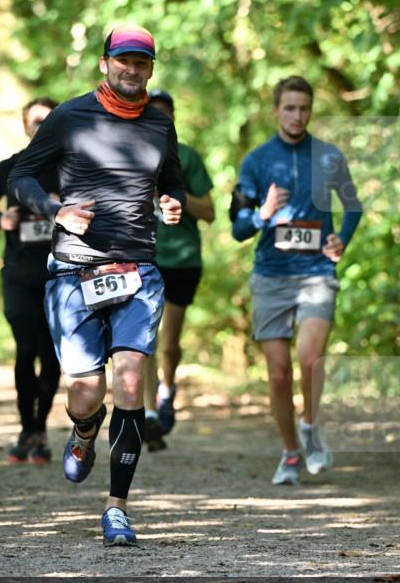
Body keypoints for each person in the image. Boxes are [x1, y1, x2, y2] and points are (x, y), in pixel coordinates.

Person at [8, 24, 185, 545]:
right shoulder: (70, 115)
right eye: (124, 60)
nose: (133, 69)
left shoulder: (160, 124)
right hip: (74, 271)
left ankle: (117, 510)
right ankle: (85, 430)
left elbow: (171, 180)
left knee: (131, 381)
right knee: (86, 394)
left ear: (151, 68)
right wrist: (55, 209)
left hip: (138, 270)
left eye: (143, 62)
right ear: (105, 63)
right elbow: (21, 176)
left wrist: (170, 201)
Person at [231, 76, 362, 486]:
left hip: (317, 273)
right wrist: (262, 213)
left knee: (310, 357)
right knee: (277, 374)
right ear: (276, 110)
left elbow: (353, 206)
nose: (297, 115)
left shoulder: (328, 157)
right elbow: (237, 228)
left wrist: (343, 238)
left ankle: (310, 425)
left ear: (311, 111)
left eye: (304, 108)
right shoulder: (256, 161)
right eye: (289, 108)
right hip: (271, 276)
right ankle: (290, 453)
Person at [0, 98, 61, 463]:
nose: (41, 127)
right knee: (25, 349)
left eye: (49, 121)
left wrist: (65, 205)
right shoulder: (9, 170)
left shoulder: (69, 169)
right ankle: (26, 427)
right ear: (26, 126)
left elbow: (95, 204)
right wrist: (1, 220)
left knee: (51, 356)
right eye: (35, 121)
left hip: (60, 278)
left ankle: (40, 429)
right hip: (18, 276)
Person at [143, 89, 215, 448]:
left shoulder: (188, 158)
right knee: (145, 338)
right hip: (143, 258)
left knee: (169, 341)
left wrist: (177, 196)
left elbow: (210, 212)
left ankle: (167, 392)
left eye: (165, 114)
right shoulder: (131, 155)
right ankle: (149, 415)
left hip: (183, 258)